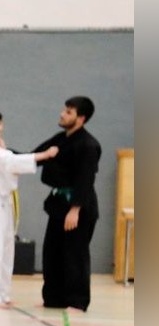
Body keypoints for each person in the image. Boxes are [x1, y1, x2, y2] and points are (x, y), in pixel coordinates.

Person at [0, 108, 58, 308]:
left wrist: (5, 150)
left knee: (6, 249)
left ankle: (3, 293)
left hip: (5, 200)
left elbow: (10, 167)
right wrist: (42, 155)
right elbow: (9, 162)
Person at [33, 96, 102, 312]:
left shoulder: (89, 145)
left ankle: (77, 301)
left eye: (69, 112)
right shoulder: (61, 139)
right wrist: (5, 154)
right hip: (58, 205)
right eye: (64, 110)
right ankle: (53, 298)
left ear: (80, 118)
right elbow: (37, 156)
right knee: (52, 252)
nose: (63, 114)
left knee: (75, 254)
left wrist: (75, 209)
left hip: (79, 208)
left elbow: (85, 179)